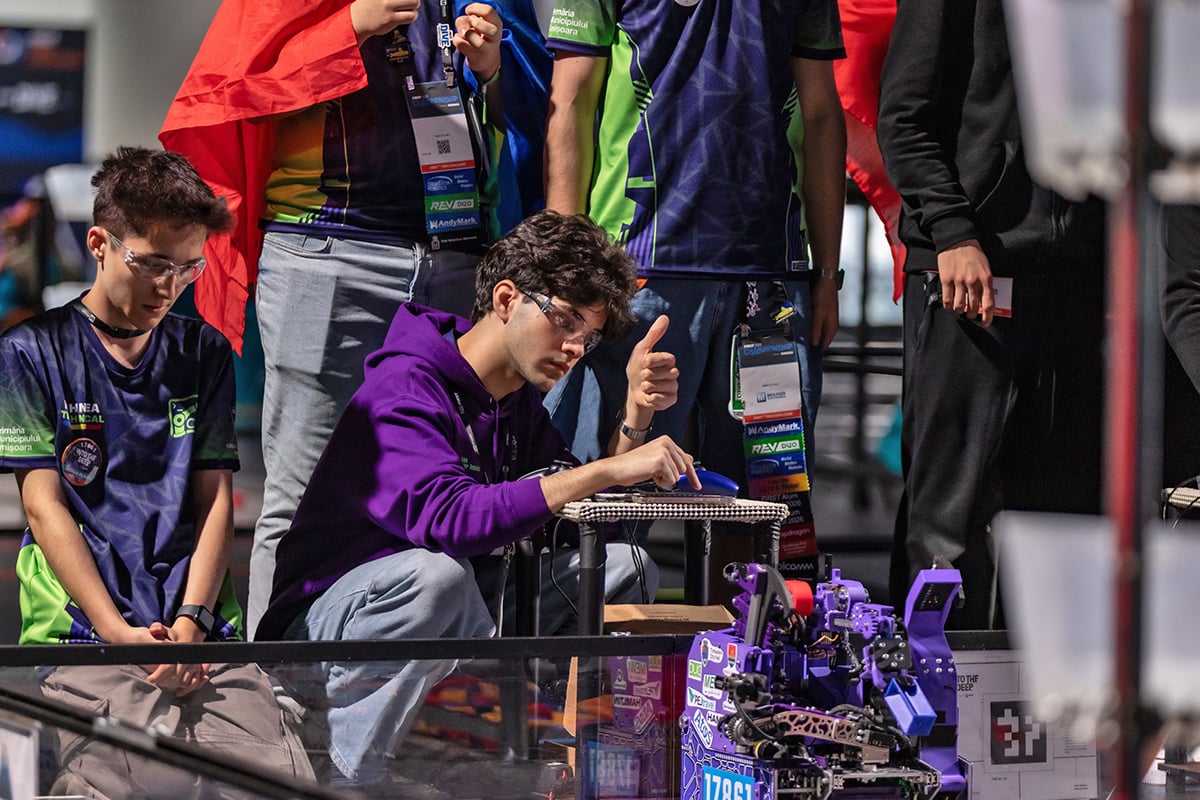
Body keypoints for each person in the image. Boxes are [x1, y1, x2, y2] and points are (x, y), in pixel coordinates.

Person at [256, 209, 698, 791]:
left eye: (588, 336)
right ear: (507, 298)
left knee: (623, 568)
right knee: (435, 578)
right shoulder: (404, 387)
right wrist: (608, 468)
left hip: (447, 626)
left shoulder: (514, 403)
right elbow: (455, 521)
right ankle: (343, 775)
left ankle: (550, 760)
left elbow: (575, 522)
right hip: (321, 644)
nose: (574, 347)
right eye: (565, 320)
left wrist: (634, 418)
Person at [160, 0, 514, 637]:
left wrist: (486, 72)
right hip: (328, 252)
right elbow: (237, 88)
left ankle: (393, 677)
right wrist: (351, 26)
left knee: (433, 490)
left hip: (451, 253)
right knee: (299, 493)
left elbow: (493, 127)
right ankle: (274, 684)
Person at [0, 146, 312, 797]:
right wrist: (118, 633)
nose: (169, 287)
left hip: (197, 627)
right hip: (85, 630)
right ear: (100, 244)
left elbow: (216, 498)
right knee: (144, 778)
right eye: (152, 265)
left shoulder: (204, 352)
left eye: (189, 267)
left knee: (276, 779)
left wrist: (193, 622)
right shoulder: (31, 351)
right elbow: (43, 508)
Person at [540, 0, 846, 586]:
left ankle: (752, 644)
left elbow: (823, 114)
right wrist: (565, 267)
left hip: (771, 283)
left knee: (767, 513)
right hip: (637, 273)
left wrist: (827, 274)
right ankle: (582, 646)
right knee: (606, 504)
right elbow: (570, 102)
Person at [877, 0, 1108, 628]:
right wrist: (953, 232)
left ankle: (1045, 682)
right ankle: (936, 683)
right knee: (949, 516)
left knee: (1066, 514)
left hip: (1079, 277)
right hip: (970, 267)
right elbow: (903, 117)